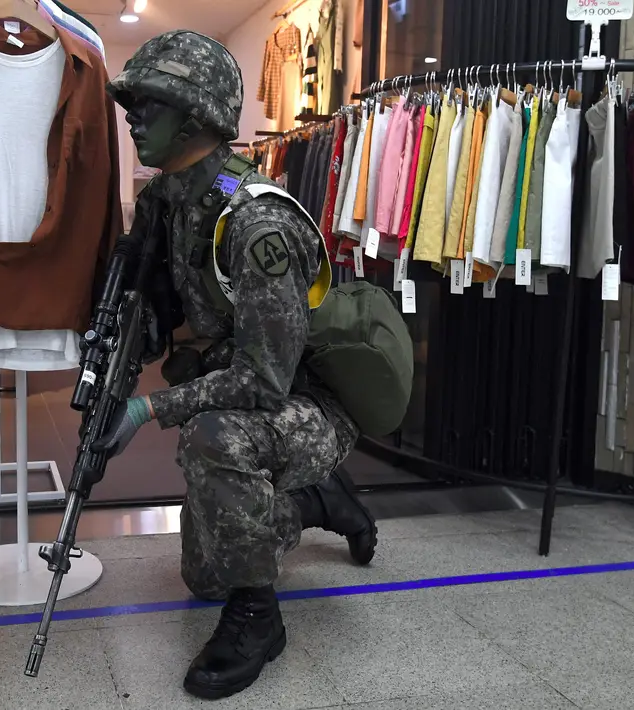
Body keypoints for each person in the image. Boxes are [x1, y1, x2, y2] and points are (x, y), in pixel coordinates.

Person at [97, 30, 378, 700]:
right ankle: (316, 501)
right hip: (241, 394)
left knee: (212, 438)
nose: (132, 118)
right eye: (130, 105)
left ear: (194, 118)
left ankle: (256, 618)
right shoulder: (171, 198)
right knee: (204, 573)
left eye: (148, 106)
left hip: (302, 403)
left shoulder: (257, 227)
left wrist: (144, 409)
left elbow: (263, 379)